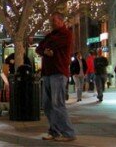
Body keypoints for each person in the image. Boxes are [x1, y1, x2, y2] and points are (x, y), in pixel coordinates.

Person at [36, 12, 76, 142]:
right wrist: (45, 50)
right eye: (51, 21)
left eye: (54, 21)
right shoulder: (50, 35)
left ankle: (68, 133)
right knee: (47, 105)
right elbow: (39, 48)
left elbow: (50, 45)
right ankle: (54, 131)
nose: (52, 23)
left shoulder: (66, 34)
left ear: (61, 21)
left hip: (58, 73)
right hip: (47, 73)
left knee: (58, 103)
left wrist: (45, 48)